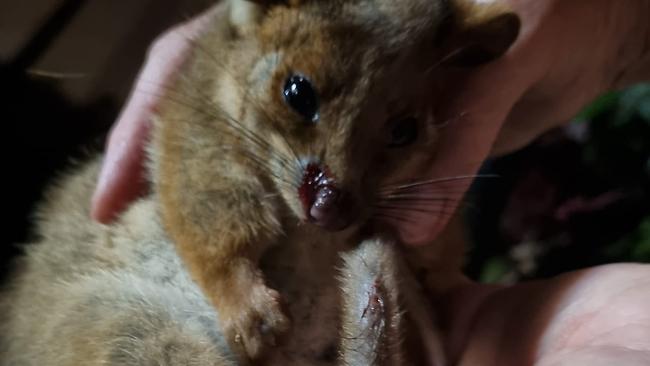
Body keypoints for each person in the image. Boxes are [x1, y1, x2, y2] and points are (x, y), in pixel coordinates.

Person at [90, 1, 650, 364]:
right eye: (301, 98)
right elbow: (206, 197)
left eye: (399, 133)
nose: (338, 181)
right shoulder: (226, 89)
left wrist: (612, 26)